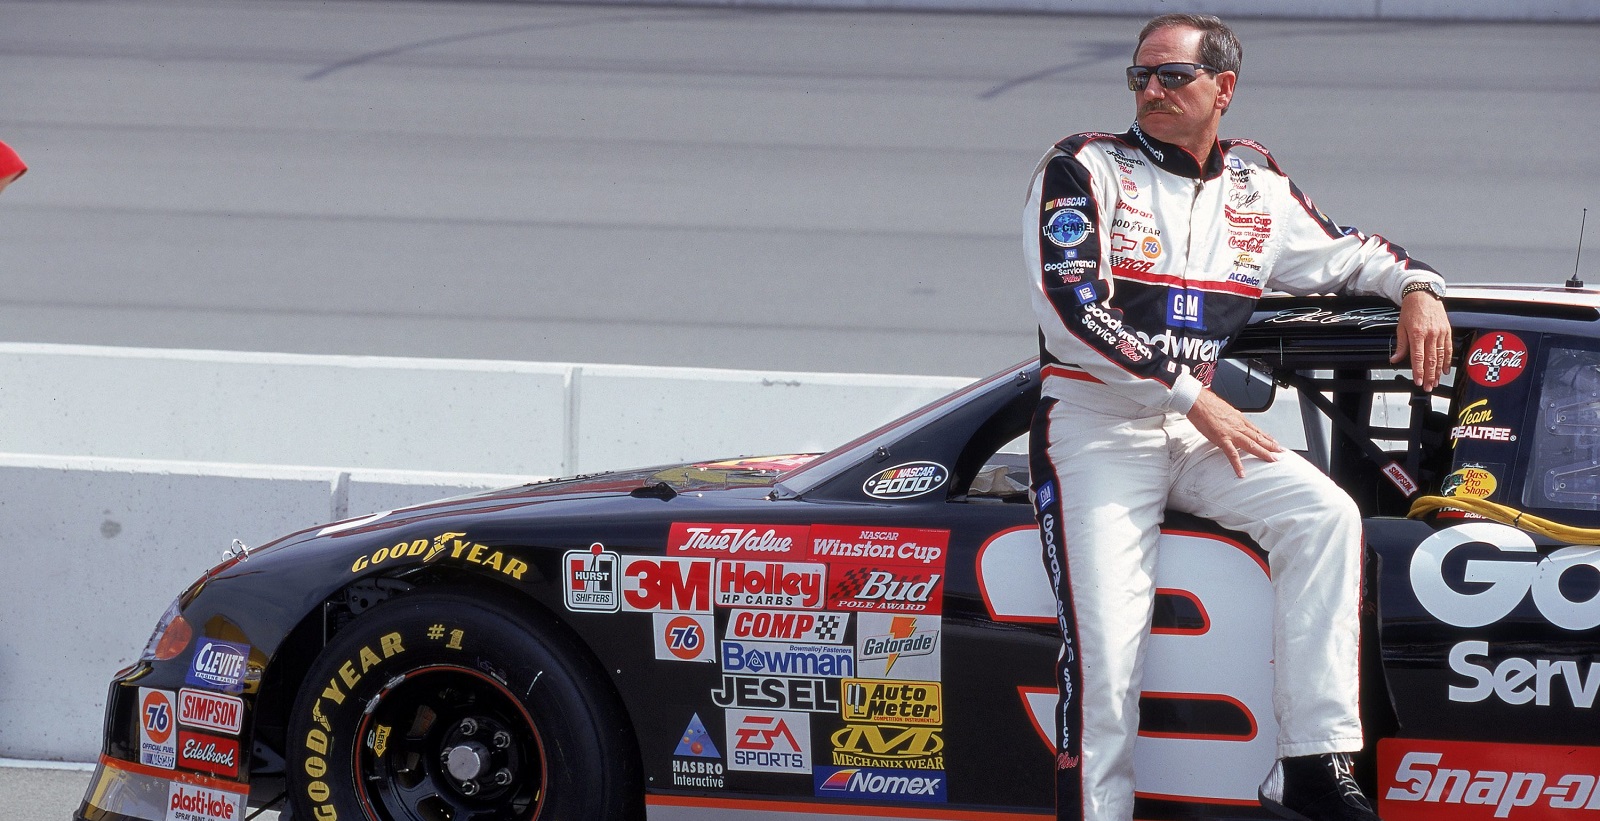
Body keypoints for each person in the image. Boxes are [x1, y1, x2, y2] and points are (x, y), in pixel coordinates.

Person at [1023, 13, 1450, 821]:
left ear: (1223, 88)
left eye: (1171, 76)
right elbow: (1071, 311)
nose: (1151, 90)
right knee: (1106, 656)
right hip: (1096, 428)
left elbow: (1351, 254)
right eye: (1140, 76)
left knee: (1324, 512)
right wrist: (1191, 393)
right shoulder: (1082, 167)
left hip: (1195, 431)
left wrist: (1419, 286)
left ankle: (1312, 763)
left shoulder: (1259, 188)